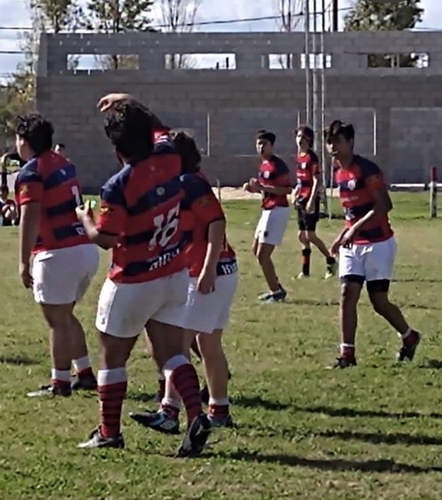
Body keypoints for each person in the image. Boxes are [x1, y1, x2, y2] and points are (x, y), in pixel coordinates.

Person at [75, 95, 210, 457]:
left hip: (133, 280)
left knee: (111, 358)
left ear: (116, 145)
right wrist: (131, 101)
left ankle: (108, 432)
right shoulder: (169, 156)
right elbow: (159, 125)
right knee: (170, 354)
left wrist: (85, 219)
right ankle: (196, 414)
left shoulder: (117, 186)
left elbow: (105, 239)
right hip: (173, 272)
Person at [131, 131, 238, 434]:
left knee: (176, 345)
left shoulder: (189, 182)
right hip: (221, 270)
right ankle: (219, 408)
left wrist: (207, 269)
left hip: (210, 272)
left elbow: (216, 223)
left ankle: (169, 412)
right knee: (207, 343)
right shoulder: (183, 181)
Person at [14, 114, 100, 397]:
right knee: (64, 315)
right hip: (85, 248)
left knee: (56, 320)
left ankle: (59, 382)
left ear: (24, 142)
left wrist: (23, 260)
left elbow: (29, 216)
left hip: (58, 252)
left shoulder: (32, 171)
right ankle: (84, 372)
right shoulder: (64, 164)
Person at [325, 120, 421, 368]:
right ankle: (347, 354)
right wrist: (342, 234)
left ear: (350, 142)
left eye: (337, 141)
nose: (332, 147)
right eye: (329, 142)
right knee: (347, 294)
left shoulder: (367, 169)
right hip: (353, 245)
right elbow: (351, 214)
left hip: (378, 242)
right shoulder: (338, 172)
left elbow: (384, 205)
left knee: (379, 301)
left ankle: (409, 336)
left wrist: (355, 228)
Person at [244, 130, 292, 303]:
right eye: (258, 144)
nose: (260, 147)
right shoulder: (263, 165)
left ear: (272, 146)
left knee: (263, 254)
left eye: (264, 144)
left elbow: (287, 189)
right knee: (256, 250)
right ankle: (276, 287)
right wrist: (254, 189)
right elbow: (264, 187)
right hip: (267, 209)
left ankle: (276, 292)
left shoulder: (278, 165)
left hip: (277, 210)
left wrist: (262, 188)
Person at [293, 125, 337, 279]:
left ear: (309, 140)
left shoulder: (312, 157)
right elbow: (300, 180)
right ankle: (305, 271)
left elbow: (316, 179)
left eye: (303, 137)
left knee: (310, 235)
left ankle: (330, 260)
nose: (300, 140)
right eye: (298, 137)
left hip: (310, 199)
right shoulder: (299, 156)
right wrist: (295, 192)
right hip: (301, 198)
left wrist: (312, 199)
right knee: (301, 236)